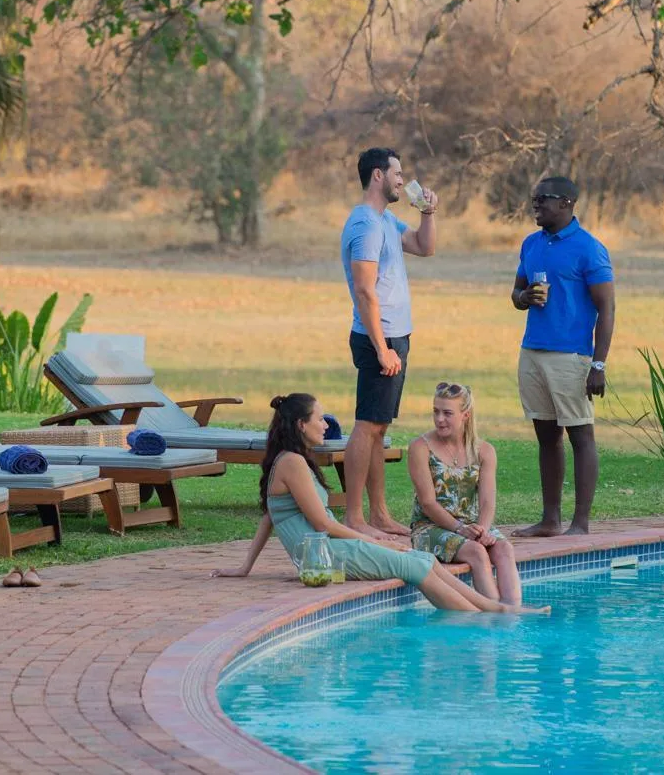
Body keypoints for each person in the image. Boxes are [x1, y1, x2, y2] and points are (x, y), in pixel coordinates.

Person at [212, 393, 546, 615]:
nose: (326, 424)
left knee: (423, 559)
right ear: (301, 425)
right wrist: (376, 540)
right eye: (319, 419)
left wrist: (245, 567)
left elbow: (270, 516)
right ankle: (488, 615)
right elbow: (323, 525)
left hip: (323, 553)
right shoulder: (293, 464)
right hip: (326, 555)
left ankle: (494, 609)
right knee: (414, 565)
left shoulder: (292, 461)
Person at [340, 147, 437, 539]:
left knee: (378, 427)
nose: (402, 180)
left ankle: (378, 514)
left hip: (396, 335)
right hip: (378, 338)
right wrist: (382, 348)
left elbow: (424, 247)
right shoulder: (364, 224)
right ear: (378, 176)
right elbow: (364, 291)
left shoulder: (386, 219)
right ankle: (354, 518)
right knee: (366, 426)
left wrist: (428, 213)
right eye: (397, 173)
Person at [510, 177, 615, 537]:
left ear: (568, 202)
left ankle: (580, 524)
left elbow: (607, 307)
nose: (535, 205)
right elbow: (517, 290)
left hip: (571, 357)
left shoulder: (590, 249)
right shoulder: (531, 243)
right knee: (546, 437)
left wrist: (598, 364)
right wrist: (523, 299)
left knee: (580, 436)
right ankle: (550, 520)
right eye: (534, 198)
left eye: (543, 200)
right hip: (532, 352)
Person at [407, 382, 521, 606]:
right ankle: (494, 614)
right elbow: (428, 503)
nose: (439, 419)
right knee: (477, 553)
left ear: (465, 415)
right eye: (436, 411)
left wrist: (484, 530)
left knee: (504, 548)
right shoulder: (420, 447)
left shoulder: (484, 451)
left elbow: (488, 502)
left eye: (447, 413)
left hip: (471, 527)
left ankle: (513, 616)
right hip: (430, 527)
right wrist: (461, 529)